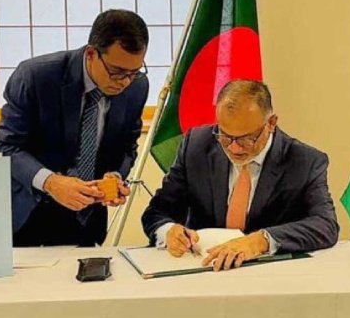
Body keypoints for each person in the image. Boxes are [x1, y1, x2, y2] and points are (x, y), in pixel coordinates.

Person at [141, 79, 339, 271]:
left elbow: (325, 225)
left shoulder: (304, 161)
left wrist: (261, 240)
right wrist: (169, 231)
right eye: (225, 136)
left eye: (246, 139)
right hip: (203, 270)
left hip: (269, 275)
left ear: (271, 123)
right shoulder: (196, 145)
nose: (234, 148)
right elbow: (156, 212)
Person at [0, 9, 149, 246]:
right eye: (117, 72)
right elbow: (6, 146)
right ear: (91, 54)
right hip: (30, 215)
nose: (125, 82)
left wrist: (116, 176)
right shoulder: (37, 76)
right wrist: (51, 182)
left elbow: (128, 147)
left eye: (134, 72)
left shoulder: (137, 87)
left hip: (88, 219)